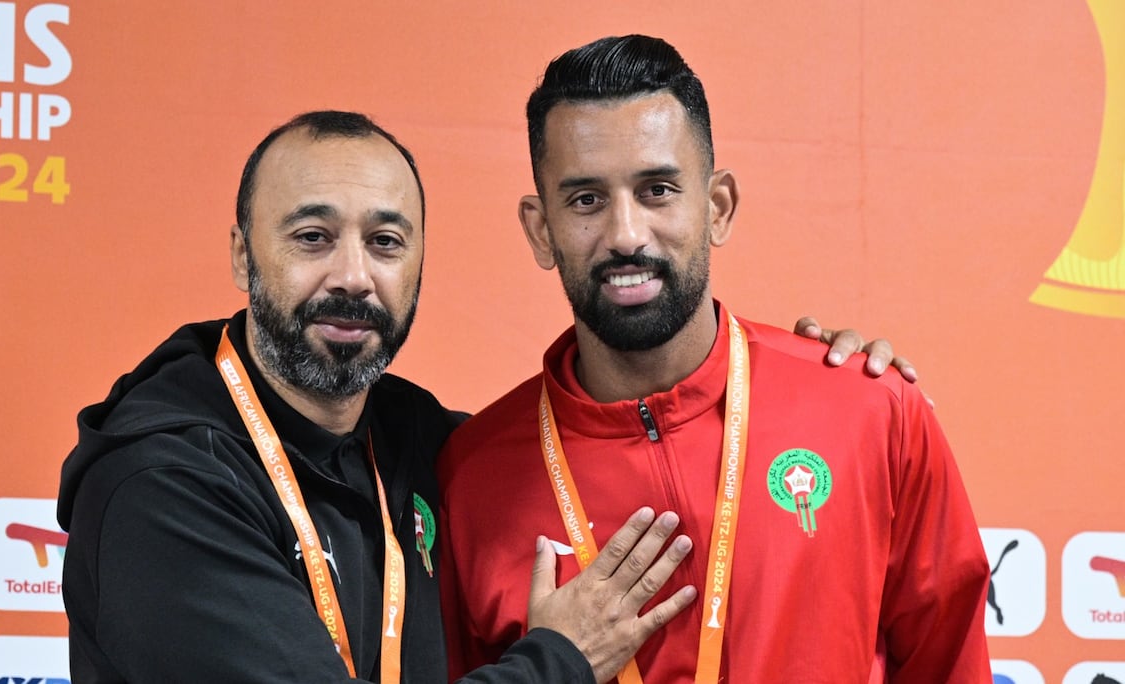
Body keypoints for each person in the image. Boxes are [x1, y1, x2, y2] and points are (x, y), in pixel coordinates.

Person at [57, 110, 917, 682]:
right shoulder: (162, 484)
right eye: (312, 238)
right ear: (244, 256)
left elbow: (589, 435)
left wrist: (808, 382)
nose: (353, 276)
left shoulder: (423, 447)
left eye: (385, 241)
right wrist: (561, 659)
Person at [436, 35, 991, 683]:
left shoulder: (871, 411)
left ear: (717, 207)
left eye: (657, 190)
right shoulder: (472, 478)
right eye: (586, 200)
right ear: (541, 230)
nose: (626, 235)